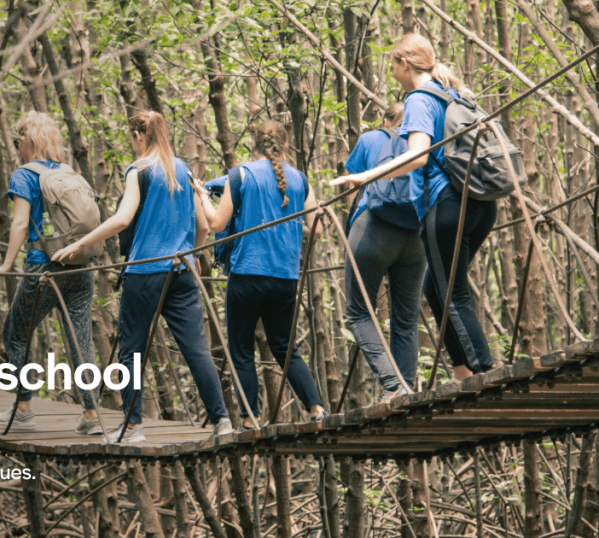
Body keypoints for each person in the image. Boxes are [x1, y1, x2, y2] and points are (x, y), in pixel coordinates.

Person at [53, 111, 233, 443]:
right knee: (196, 349)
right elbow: (204, 227)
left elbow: (122, 219)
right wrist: (190, 257)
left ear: (139, 136)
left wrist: (79, 242)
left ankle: (133, 427)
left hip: (145, 273)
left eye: (131, 137)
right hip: (182, 272)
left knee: (132, 349)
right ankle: (222, 420)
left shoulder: (139, 171)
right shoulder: (184, 170)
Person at [331, 33, 494, 380]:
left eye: (392, 65)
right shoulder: (454, 93)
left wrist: (367, 177)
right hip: (481, 202)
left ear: (404, 63)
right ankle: (465, 372)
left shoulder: (419, 98)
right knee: (437, 288)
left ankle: (484, 374)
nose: (392, 73)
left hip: (447, 205)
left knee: (452, 292)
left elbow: (417, 156)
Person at [193, 119, 326, 432]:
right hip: (285, 277)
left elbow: (215, 224)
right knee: (285, 348)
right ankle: (316, 408)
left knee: (241, 351)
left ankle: (249, 419)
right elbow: (317, 229)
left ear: (254, 144)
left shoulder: (241, 175)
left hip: (247, 274)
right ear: (284, 143)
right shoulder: (299, 179)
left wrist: (201, 195)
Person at [0, 111, 102, 435]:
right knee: (80, 341)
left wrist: (6, 266)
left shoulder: (24, 175)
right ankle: (92, 414)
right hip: (81, 266)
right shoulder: (69, 172)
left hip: (43, 268)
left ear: (28, 140)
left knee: (15, 332)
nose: (16, 145)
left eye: (18, 138)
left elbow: (21, 223)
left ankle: (23, 409)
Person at [342, 103, 424, 402]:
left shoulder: (370, 138)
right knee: (405, 319)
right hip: (415, 236)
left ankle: (393, 385)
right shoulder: (423, 139)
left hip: (373, 229)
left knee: (359, 311)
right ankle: (407, 388)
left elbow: (354, 191)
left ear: (385, 120)